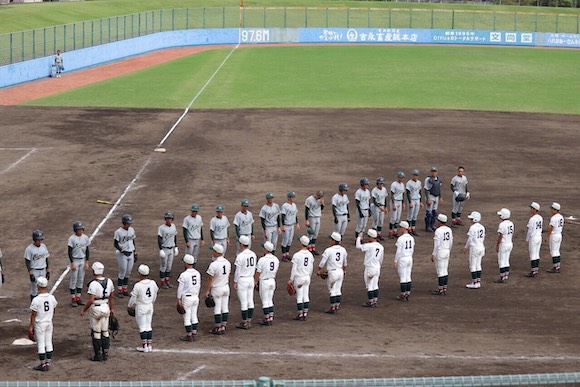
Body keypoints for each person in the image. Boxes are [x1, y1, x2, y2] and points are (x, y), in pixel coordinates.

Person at [80, 262, 115, 362]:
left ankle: (98, 355)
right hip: (105, 307)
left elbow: (91, 300)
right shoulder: (109, 281)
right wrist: (112, 309)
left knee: (96, 332)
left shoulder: (93, 284)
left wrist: (84, 310)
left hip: (96, 309)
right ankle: (106, 353)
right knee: (105, 331)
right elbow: (112, 297)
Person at [29, 277, 57, 371]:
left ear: (38, 286)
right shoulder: (51, 297)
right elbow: (53, 309)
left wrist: (30, 327)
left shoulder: (36, 299)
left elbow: (33, 315)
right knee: (48, 342)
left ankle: (43, 365)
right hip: (49, 322)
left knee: (41, 344)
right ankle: (48, 362)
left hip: (40, 324)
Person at [128, 264, 158, 352]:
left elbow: (133, 298)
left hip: (141, 307)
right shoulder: (153, 283)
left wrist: (129, 306)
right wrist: (152, 302)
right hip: (150, 306)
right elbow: (155, 294)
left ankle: (144, 346)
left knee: (142, 327)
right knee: (148, 326)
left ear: (140, 274)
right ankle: (149, 346)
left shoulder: (138, 285)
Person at [318, 232, 348, 314]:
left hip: (333, 273)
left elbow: (322, 262)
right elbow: (345, 263)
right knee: (338, 290)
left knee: (332, 291)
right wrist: (344, 270)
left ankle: (332, 308)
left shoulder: (329, 250)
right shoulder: (343, 250)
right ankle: (336, 306)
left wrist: (319, 270)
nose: (330, 241)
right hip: (340, 271)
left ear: (334, 241)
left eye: (331, 239)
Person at [205, 244, 231, 335]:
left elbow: (210, 279)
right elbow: (228, 276)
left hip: (217, 288)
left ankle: (218, 328)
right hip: (226, 287)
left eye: (213, 251)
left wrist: (207, 290)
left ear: (216, 252)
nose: (213, 252)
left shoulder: (214, 264)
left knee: (217, 308)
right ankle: (223, 326)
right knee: (225, 307)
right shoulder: (227, 262)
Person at [233, 235, 257, 330]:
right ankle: (249, 321)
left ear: (241, 244)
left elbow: (237, 271)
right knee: (250, 300)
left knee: (243, 302)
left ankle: (244, 322)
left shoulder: (240, 256)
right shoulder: (253, 254)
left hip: (242, 279)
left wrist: (235, 281)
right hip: (251, 278)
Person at [289, 235, 315, 321]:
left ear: (301, 243)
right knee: (306, 295)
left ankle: (300, 315)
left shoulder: (297, 255)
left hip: (299, 278)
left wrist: (291, 279)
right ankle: (305, 313)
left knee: (299, 296)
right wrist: (309, 276)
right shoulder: (310, 255)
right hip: (307, 277)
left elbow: (294, 269)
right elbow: (311, 267)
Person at [356, 229, 384, 307]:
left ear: (371, 237)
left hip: (369, 268)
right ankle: (375, 301)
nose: (367, 238)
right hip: (377, 267)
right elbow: (381, 259)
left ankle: (370, 302)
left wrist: (359, 237)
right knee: (375, 285)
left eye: (368, 236)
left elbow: (358, 246)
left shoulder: (369, 245)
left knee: (369, 286)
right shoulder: (381, 246)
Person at [177, 254, 201, 342]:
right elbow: (198, 285)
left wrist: (179, 299)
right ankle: (194, 334)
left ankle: (189, 336)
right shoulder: (197, 273)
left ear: (186, 263)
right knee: (194, 315)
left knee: (187, 317)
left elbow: (180, 288)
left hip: (187, 298)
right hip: (195, 297)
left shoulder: (184, 274)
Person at [255, 241, 279, 326]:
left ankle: (266, 319)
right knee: (270, 300)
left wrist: (255, 281)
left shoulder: (262, 260)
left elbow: (258, 272)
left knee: (265, 301)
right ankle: (270, 317)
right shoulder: (276, 259)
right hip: (272, 280)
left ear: (266, 249)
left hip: (264, 281)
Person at [68, 221, 90, 307]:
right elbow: (69, 252)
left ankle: (78, 298)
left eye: (81, 229)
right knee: (74, 280)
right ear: (75, 230)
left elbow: (87, 250)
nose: (80, 231)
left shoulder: (85, 238)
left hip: (82, 260)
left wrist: (87, 261)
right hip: (75, 260)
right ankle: (73, 299)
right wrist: (72, 262)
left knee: (81, 279)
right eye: (78, 230)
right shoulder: (72, 239)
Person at [113, 214, 136, 298]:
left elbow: (133, 241)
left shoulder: (132, 230)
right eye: (127, 223)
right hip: (122, 254)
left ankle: (124, 289)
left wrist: (135, 252)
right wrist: (122, 250)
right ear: (124, 223)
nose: (129, 225)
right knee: (122, 272)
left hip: (131, 253)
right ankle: (119, 290)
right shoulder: (118, 232)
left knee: (128, 272)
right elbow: (115, 244)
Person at [24, 230, 50, 301]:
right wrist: (30, 273)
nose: (40, 241)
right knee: (34, 288)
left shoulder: (43, 246)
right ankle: (34, 305)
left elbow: (46, 258)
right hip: (34, 270)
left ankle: (41, 303)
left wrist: (47, 270)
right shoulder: (29, 249)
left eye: (40, 239)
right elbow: (27, 261)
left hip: (43, 269)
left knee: (43, 286)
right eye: (38, 240)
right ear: (34, 240)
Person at [431, 214, 453, 295]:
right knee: (445, 270)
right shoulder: (449, 230)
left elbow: (436, 244)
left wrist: (433, 254)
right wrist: (449, 249)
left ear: (440, 221)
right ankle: (444, 288)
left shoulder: (438, 231)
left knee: (440, 271)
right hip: (447, 250)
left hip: (440, 251)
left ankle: (440, 289)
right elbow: (451, 241)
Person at [463, 211, 485, 289]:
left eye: (471, 219)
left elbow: (470, 238)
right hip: (481, 247)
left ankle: (474, 283)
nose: (470, 220)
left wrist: (466, 247)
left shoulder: (473, 227)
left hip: (474, 247)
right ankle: (478, 282)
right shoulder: (482, 227)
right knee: (478, 265)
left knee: (472, 266)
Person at [394, 222, 414, 302]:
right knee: (408, 276)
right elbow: (412, 249)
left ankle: (403, 295)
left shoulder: (401, 239)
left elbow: (398, 251)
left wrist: (395, 260)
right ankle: (407, 294)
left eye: (400, 227)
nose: (400, 229)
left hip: (402, 259)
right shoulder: (411, 238)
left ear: (403, 228)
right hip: (409, 258)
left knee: (402, 277)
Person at [158, 211, 178, 289]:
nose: (169, 220)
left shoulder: (173, 226)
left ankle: (167, 280)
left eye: (170, 218)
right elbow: (159, 239)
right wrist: (160, 249)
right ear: (165, 219)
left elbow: (175, 237)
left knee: (169, 266)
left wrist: (176, 247)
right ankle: (162, 282)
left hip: (171, 249)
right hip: (164, 249)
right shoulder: (161, 228)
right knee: (163, 266)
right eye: (167, 218)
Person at [494, 208, 514, 283]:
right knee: (506, 260)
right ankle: (506, 276)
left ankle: (502, 277)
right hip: (510, 243)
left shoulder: (502, 224)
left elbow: (500, 236)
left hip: (504, 244)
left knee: (501, 261)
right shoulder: (511, 223)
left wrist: (497, 245)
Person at [525, 202, 543, 278]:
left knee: (532, 254)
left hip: (534, 238)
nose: (530, 210)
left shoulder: (532, 219)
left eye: (531, 208)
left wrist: (527, 239)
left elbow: (530, 230)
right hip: (539, 237)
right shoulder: (540, 217)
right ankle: (536, 270)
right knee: (536, 254)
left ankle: (533, 271)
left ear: (534, 209)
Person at [280, 191, 300, 262]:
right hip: (287, 225)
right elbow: (282, 216)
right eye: (292, 197)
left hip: (292, 225)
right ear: (289, 198)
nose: (294, 198)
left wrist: (297, 223)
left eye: (294, 197)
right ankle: (283, 255)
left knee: (290, 240)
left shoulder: (294, 205)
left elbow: (295, 215)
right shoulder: (285, 206)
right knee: (285, 240)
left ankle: (287, 254)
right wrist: (283, 225)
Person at [545, 202, 564, 273]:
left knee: (553, 251)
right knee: (557, 251)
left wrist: (547, 236)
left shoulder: (554, 218)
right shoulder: (561, 217)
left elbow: (551, 227)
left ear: (555, 210)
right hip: (559, 235)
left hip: (554, 235)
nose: (551, 210)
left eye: (552, 209)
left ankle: (555, 267)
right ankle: (557, 266)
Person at [304, 190, 325, 255]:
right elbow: (306, 210)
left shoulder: (320, 200)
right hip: (311, 217)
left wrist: (322, 204)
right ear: (316, 194)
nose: (318, 198)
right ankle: (308, 247)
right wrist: (306, 220)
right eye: (318, 196)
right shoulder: (309, 199)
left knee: (316, 233)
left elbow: (321, 208)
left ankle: (313, 248)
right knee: (311, 233)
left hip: (318, 217)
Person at [424, 166, 444, 232]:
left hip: (436, 197)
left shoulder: (439, 179)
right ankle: (428, 226)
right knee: (429, 213)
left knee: (434, 212)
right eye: (432, 171)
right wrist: (428, 199)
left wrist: (440, 197)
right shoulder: (428, 179)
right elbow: (426, 189)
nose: (433, 173)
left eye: (435, 171)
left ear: (437, 172)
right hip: (430, 196)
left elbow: (438, 189)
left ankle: (432, 225)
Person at [405, 169, 424, 236]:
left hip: (417, 200)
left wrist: (421, 201)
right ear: (412, 175)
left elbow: (420, 192)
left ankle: (413, 229)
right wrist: (410, 202)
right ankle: (408, 229)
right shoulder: (409, 183)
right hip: (412, 200)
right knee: (410, 215)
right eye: (414, 175)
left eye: (416, 175)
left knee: (415, 215)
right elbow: (407, 193)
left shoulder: (419, 182)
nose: (415, 176)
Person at [389, 171, 406, 238]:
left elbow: (403, 194)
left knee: (398, 218)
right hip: (395, 201)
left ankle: (395, 232)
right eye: (400, 177)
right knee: (393, 218)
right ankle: (390, 232)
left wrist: (403, 202)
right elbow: (392, 194)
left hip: (400, 201)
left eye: (402, 178)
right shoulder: (394, 184)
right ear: (398, 177)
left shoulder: (402, 185)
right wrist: (393, 204)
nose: (401, 179)